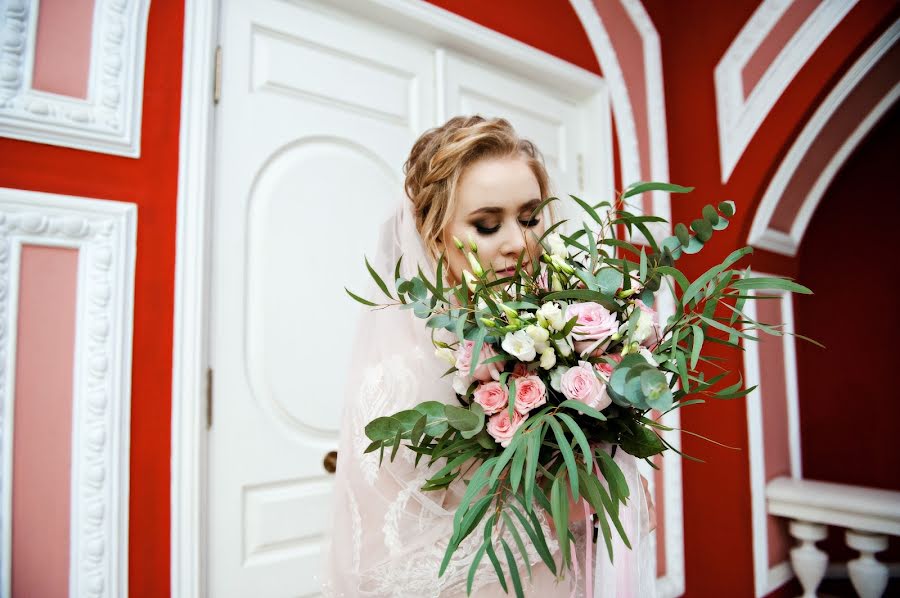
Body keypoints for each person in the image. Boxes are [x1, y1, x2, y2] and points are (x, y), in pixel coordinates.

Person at [320, 116, 655, 597]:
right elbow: (389, 568)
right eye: (487, 224)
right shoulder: (401, 377)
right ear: (433, 233)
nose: (518, 244)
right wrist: (567, 510)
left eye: (530, 217)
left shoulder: (563, 330)